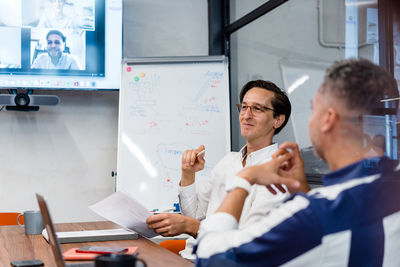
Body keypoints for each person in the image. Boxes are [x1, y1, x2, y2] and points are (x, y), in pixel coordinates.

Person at [195, 58, 400, 266]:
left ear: (328, 119)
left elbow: (212, 259)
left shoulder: (315, 214)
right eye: (244, 107)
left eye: (313, 110)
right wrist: (302, 190)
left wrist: (245, 179)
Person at [146, 80, 292, 259]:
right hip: (192, 257)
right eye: (244, 107)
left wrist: (191, 227)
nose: (246, 115)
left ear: (278, 120)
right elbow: (195, 214)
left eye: (257, 109)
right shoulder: (228, 161)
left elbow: (251, 240)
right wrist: (188, 174)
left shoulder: (278, 171)